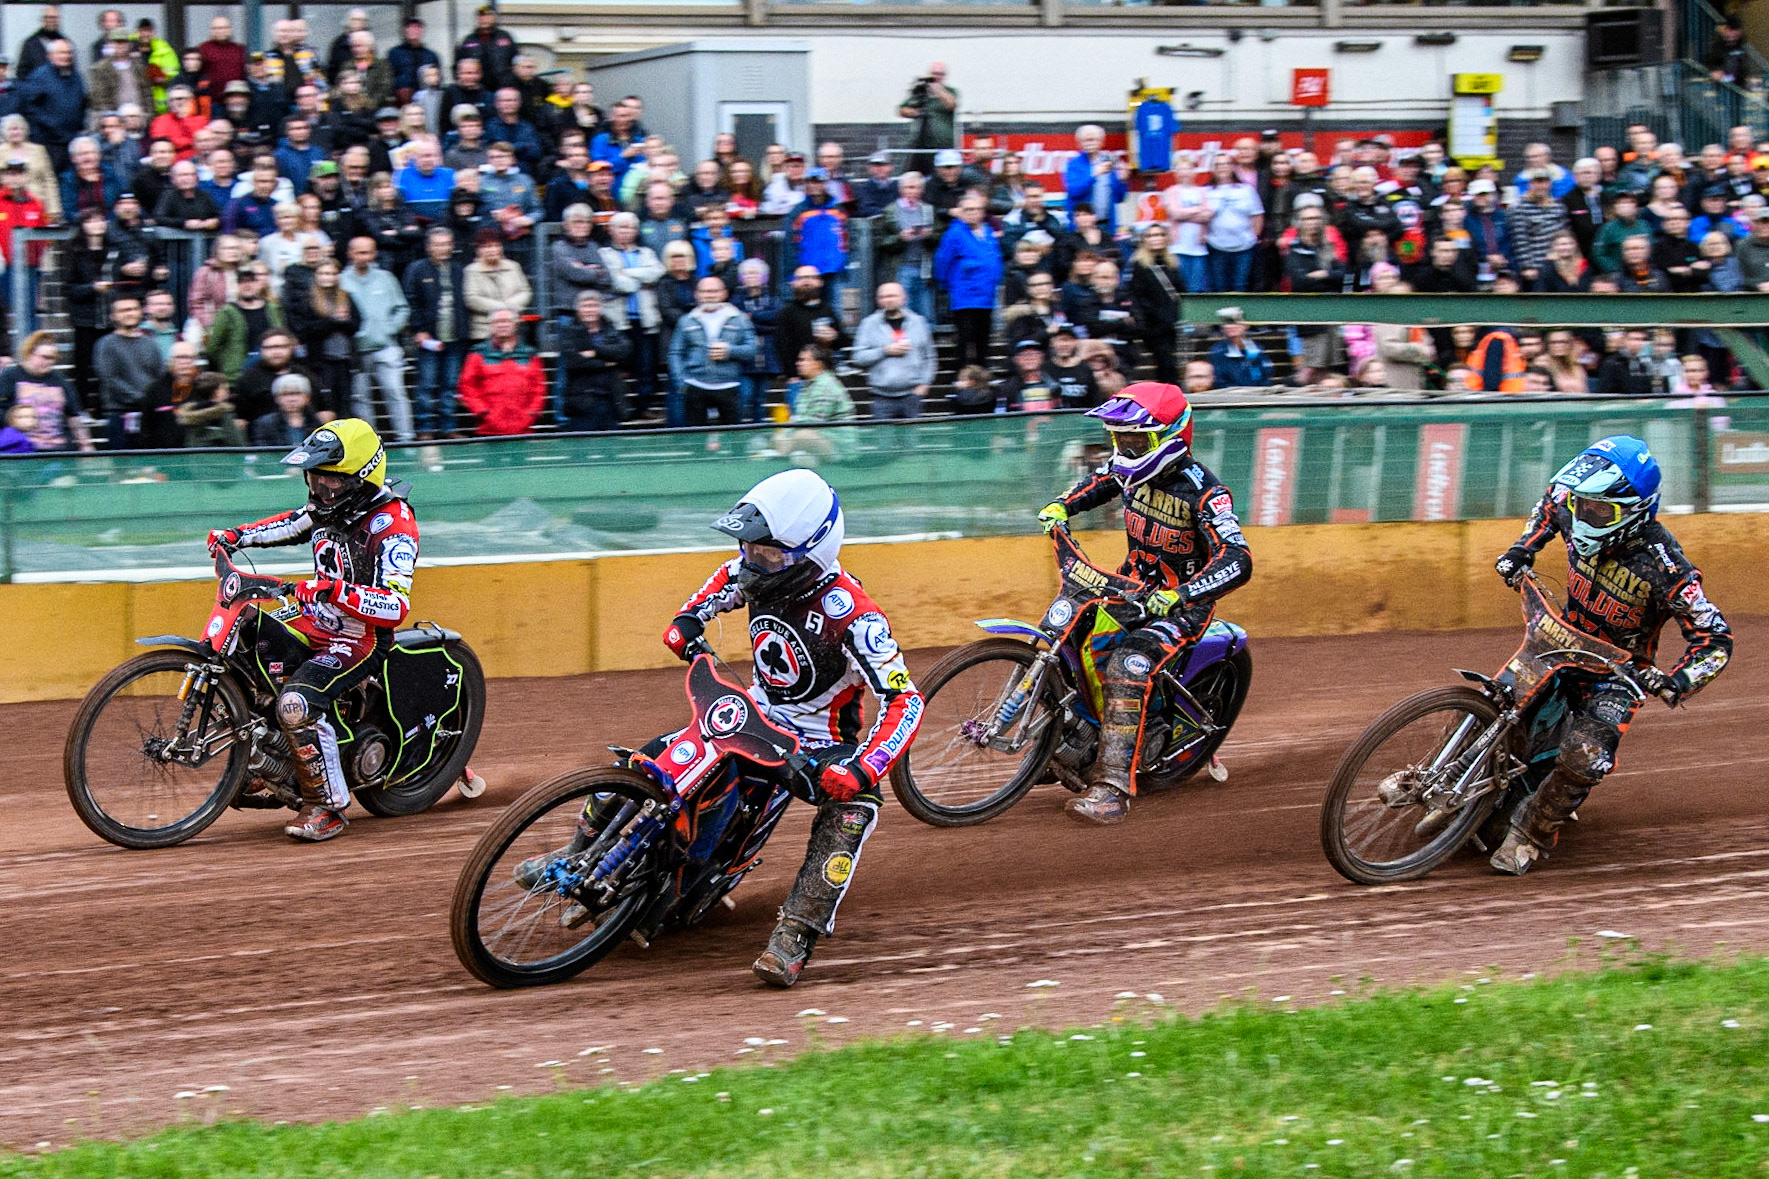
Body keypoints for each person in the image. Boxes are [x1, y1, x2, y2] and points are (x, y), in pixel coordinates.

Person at [531, 470, 917, 988]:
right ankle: (578, 853)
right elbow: (700, 605)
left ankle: (795, 933)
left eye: (768, 553)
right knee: (653, 754)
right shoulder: (751, 569)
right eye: (748, 547)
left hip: (818, 745)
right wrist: (686, 627)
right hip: (753, 713)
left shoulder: (853, 616)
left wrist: (864, 766)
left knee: (854, 811)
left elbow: (905, 700)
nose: (752, 562)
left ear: (813, 551)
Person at [1488, 437, 1731, 875]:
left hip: (1616, 675)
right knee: (1496, 701)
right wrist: (1524, 547)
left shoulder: (1667, 567)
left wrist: (1677, 681)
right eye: (1583, 505)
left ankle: (1530, 834)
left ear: (1636, 511)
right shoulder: (1573, 503)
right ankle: (1454, 775)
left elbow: (1715, 639)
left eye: (1599, 510)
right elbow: (1550, 503)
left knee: (1585, 754)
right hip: (1559, 639)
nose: (1583, 515)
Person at [1035, 382, 1252, 824]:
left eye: (1138, 439)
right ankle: (1073, 736)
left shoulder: (1207, 493)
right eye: (1122, 438)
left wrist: (1184, 593)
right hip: (1130, 586)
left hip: (1181, 606)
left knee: (1128, 664)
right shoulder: (1129, 469)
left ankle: (1112, 789)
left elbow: (1239, 557)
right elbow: (1101, 482)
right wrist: (1062, 505)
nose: (1128, 448)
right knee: (1066, 635)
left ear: (1171, 436)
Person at [206, 419, 419, 842]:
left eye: (329, 481)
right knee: (244, 634)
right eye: (313, 478)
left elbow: (396, 605)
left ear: (359, 479)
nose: (318, 489)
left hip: (360, 638)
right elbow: (290, 523)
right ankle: (266, 761)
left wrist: (333, 590)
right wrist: (235, 536)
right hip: (314, 620)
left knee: (296, 703)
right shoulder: (328, 508)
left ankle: (328, 806)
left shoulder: (394, 525)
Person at [339, 237, 413, 442]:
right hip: (356, 349)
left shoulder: (386, 278)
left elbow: (402, 308)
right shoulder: (341, 280)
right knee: (360, 398)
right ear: (350, 253)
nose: (364, 257)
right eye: (359, 252)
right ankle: (369, 443)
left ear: (374, 254)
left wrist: (390, 328)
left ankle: (406, 439)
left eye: (368, 252)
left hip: (386, 346)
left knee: (395, 391)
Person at [404, 227, 469, 439]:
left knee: (450, 385)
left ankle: (448, 427)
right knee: (427, 385)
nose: (443, 248)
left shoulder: (458, 269)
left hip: (455, 337)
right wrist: (418, 329)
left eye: (446, 244)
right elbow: (410, 301)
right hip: (428, 338)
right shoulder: (417, 269)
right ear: (429, 246)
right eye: (438, 244)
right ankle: (424, 428)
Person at [669, 276, 757, 426]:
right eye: (705, 291)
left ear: (724, 293)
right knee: (696, 441)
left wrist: (730, 351)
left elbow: (752, 349)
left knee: (733, 439)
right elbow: (675, 353)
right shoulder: (686, 320)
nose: (709, 295)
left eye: (714, 291)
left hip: (728, 385)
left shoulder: (740, 319)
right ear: (696, 294)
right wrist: (681, 382)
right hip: (695, 385)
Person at [934, 194, 1003, 371]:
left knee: (983, 337)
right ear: (961, 212)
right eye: (968, 209)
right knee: (965, 337)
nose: (972, 213)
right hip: (965, 295)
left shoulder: (988, 231)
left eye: (976, 209)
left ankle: (982, 373)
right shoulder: (955, 233)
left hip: (986, 295)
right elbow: (943, 260)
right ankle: (963, 375)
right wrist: (948, 284)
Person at [850, 281, 936, 420]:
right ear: (878, 300)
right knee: (883, 440)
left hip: (912, 395)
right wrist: (884, 351)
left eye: (892, 296)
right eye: (883, 297)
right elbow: (858, 357)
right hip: (881, 396)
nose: (888, 300)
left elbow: (930, 357)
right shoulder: (868, 324)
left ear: (904, 297)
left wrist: (925, 383)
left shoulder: (918, 322)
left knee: (911, 441)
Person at [458, 307, 545, 434]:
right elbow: (467, 386)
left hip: (523, 429)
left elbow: (539, 388)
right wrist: (483, 412)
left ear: (515, 325)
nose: (503, 325)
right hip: (488, 430)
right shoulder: (478, 353)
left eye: (507, 321)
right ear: (491, 326)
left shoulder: (529, 354)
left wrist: (532, 413)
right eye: (498, 322)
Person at [0, 332, 93, 451]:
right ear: (30, 354)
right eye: (45, 357)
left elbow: (73, 415)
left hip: (58, 448)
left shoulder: (60, 379)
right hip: (22, 448)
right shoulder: (10, 376)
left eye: (53, 358)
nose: (50, 362)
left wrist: (85, 444)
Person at [557, 289, 633, 432]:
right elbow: (575, 362)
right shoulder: (569, 331)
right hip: (582, 403)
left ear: (600, 309)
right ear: (578, 309)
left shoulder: (611, 329)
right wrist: (606, 362)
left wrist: (595, 351)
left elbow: (624, 351)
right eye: (585, 306)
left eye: (593, 306)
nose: (590, 310)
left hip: (610, 401)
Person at [206, 264, 284, 383]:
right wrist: (229, 365)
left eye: (252, 280)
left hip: (272, 376)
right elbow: (213, 348)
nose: (247, 285)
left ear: (259, 283)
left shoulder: (273, 309)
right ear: (236, 285)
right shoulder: (227, 312)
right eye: (242, 281)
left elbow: (283, 338)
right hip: (238, 379)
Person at [1127, 224, 1183, 386]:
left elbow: (1180, 292)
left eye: (1159, 235)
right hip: (1153, 324)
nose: (1156, 238)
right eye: (1151, 235)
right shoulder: (1140, 265)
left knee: (1170, 362)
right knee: (1165, 361)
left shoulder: (1172, 264)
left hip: (1171, 323)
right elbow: (1139, 296)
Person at [1064, 124, 1128, 239]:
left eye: (1093, 139)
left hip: (1106, 225)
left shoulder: (1110, 162)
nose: (1090, 142)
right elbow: (1074, 191)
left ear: (1101, 142)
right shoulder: (1074, 164)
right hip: (1082, 227)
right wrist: (1094, 174)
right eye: (1085, 140)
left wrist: (1122, 181)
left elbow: (1119, 198)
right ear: (1079, 143)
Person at [898, 62, 958, 171]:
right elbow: (902, 110)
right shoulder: (922, 92)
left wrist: (938, 89)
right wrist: (916, 112)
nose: (937, 77)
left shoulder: (951, 91)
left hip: (943, 147)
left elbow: (951, 104)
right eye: (934, 74)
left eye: (940, 74)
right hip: (922, 145)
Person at [251, 371, 322, 447]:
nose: (291, 399)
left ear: (307, 397)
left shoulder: (316, 423)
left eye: (297, 393)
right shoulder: (265, 424)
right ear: (276, 398)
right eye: (286, 394)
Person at [1207, 319, 1273, 388]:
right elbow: (1219, 381)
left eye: (1236, 322)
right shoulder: (1217, 352)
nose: (1231, 326)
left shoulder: (1257, 349)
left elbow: (1265, 376)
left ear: (1246, 325)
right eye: (1228, 323)